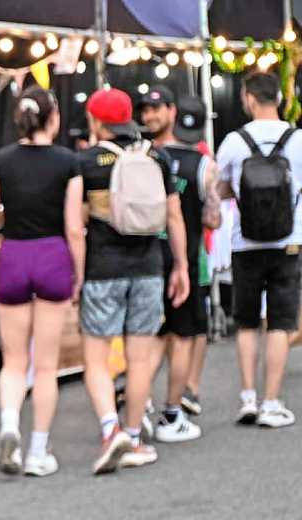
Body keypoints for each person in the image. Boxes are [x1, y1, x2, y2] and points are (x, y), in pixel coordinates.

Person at [0, 86, 85, 477]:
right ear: (53, 118)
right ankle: (37, 451)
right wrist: (79, 273)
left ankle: (9, 425)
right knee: (46, 367)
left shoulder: (2, 160)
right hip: (52, 256)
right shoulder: (68, 163)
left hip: (13, 256)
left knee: (14, 360)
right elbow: (74, 228)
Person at [78, 88, 190, 474]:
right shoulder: (157, 156)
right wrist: (181, 266)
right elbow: (174, 217)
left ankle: (111, 430)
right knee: (139, 358)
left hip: (102, 269)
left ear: (96, 121)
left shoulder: (86, 162)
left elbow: (77, 222)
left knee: (95, 358)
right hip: (148, 266)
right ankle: (134, 435)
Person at [215, 72, 302, 428]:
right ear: (279, 98)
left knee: (247, 322)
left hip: (245, 243)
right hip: (288, 242)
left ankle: (248, 397)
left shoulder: (234, 141)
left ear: (249, 99)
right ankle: (271, 402)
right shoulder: (298, 140)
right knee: (280, 323)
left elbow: (219, 189)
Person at [140, 88, 221, 442]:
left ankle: (136, 406)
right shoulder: (204, 165)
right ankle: (171, 414)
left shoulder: (145, 158)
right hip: (184, 260)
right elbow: (213, 218)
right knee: (184, 337)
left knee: (153, 339)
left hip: (147, 258)